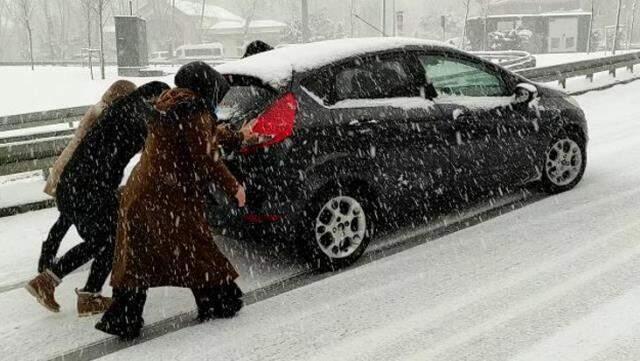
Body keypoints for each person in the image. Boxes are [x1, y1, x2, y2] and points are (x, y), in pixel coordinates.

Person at [96, 62, 245, 339]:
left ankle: (123, 317)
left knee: (136, 260)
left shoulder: (168, 105)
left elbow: (201, 137)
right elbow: (205, 155)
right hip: (170, 197)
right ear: (206, 87)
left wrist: (235, 136)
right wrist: (233, 186)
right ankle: (219, 300)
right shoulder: (194, 110)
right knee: (196, 247)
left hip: (140, 195)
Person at [25, 81, 170, 317]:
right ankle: (61, 285)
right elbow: (159, 146)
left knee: (105, 238)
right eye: (162, 101)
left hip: (76, 185)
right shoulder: (139, 114)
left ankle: (72, 288)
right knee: (109, 238)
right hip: (89, 188)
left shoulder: (123, 107)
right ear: (154, 98)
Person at [38, 80, 137, 274]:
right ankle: (50, 264)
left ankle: (46, 259)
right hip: (76, 170)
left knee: (65, 217)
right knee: (67, 218)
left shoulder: (101, 108)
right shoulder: (105, 114)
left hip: (72, 167)